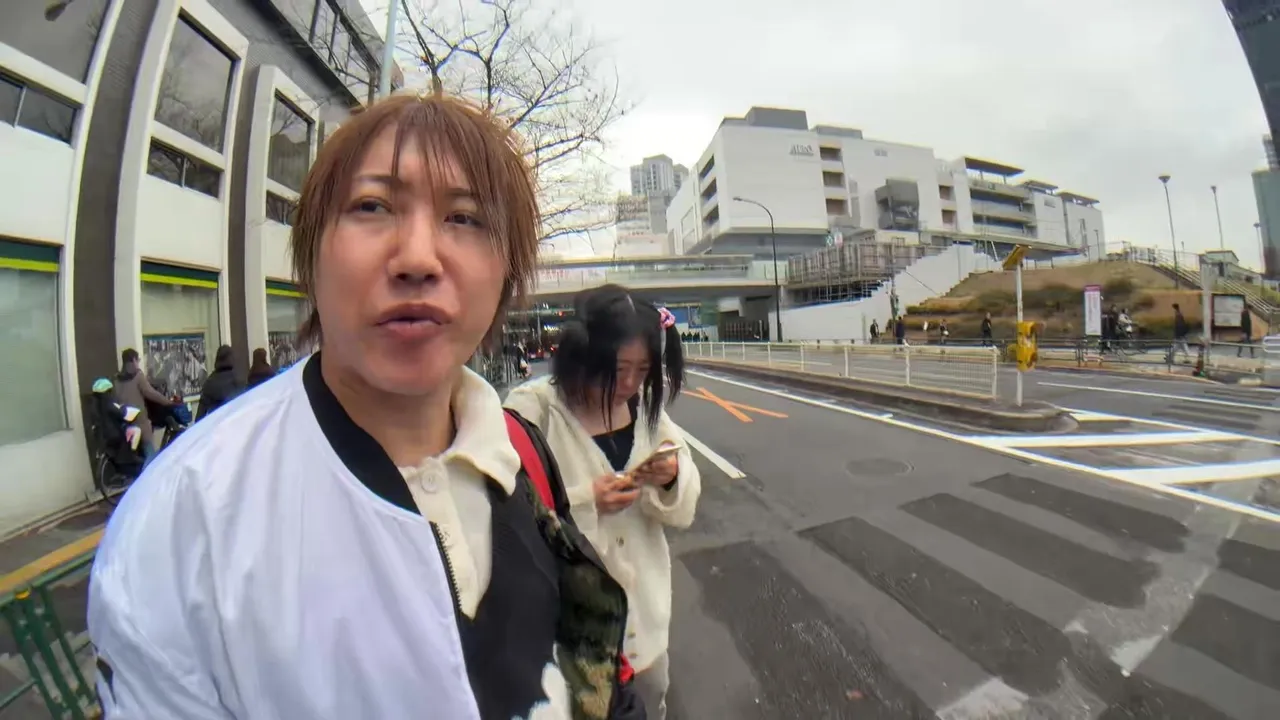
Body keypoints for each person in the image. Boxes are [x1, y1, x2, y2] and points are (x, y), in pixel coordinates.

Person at [88, 93, 641, 719]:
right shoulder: (185, 519)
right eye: (372, 206)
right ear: (311, 255)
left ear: (506, 273)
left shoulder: (519, 448)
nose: (418, 259)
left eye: (464, 218)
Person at [505, 286, 701, 720]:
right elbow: (509, 510)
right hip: (568, 633)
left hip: (645, 626)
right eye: (617, 369)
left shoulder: (646, 412)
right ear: (584, 355)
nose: (629, 384)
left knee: (650, 704)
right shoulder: (534, 411)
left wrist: (671, 478)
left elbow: (686, 499)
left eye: (642, 370)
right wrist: (586, 501)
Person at [113, 348, 179, 466]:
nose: (138, 363)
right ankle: (149, 474)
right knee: (150, 454)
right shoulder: (137, 375)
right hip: (139, 421)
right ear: (133, 360)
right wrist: (168, 402)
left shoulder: (116, 379)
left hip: (123, 422)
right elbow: (150, 393)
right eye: (137, 360)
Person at [195, 345, 243, 421]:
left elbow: (200, 415)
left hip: (217, 423)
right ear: (231, 359)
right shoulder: (238, 379)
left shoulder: (210, 382)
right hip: (236, 422)